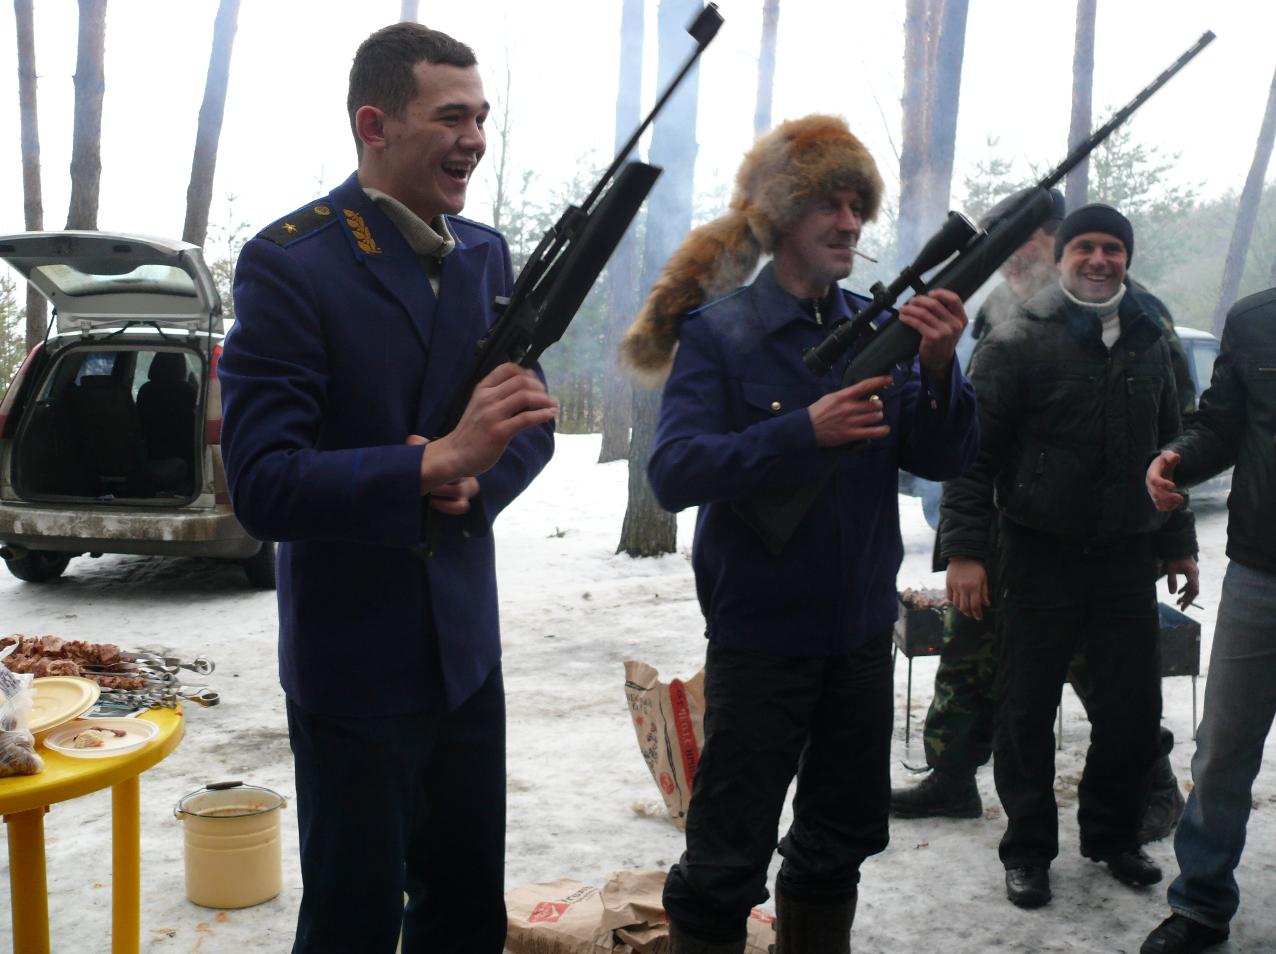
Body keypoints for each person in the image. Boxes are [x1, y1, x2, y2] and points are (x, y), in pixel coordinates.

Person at [218, 24, 556, 954]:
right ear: (375, 125)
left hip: (466, 661)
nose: (474, 139)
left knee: (464, 919)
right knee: (352, 926)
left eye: (481, 117)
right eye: (451, 117)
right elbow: (262, 484)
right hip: (355, 666)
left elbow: (528, 421)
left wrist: (475, 481)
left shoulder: (485, 255)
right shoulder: (293, 262)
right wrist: (428, 464)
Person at [621, 115, 979, 954]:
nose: (850, 223)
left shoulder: (886, 334)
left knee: (839, 841)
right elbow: (674, 472)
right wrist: (800, 432)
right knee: (725, 859)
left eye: (858, 206)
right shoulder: (717, 332)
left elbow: (943, 456)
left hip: (861, 637)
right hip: (761, 639)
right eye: (830, 204)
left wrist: (938, 368)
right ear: (783, 215)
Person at [893, 192, 1189, 846]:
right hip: (1014, 531)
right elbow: (976, 442)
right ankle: (953, 774)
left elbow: (1173, 434)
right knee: (973, 655)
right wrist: (965, 548)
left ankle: (1152, 783)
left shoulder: (1140, 319)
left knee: (1107, 678)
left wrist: (1174, 539)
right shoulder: (1006, 313)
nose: (1004, 262)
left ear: (1049, 243)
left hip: (1099, 540)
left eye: (1015, 246)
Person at [1141, 287, 1276, 954]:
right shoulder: (1256, 321)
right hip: (1261, 572)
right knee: (1223, 745)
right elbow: (1221, 425)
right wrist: (1178, 459)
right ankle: (1200, 901)